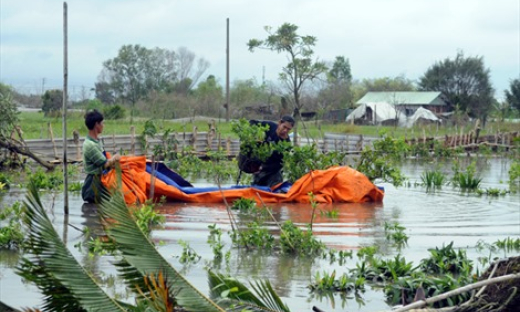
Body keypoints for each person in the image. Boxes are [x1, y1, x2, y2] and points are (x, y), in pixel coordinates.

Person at [81, 109, 121, 203]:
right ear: (96, 125)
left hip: (100, 182)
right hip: (94, 186)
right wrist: (114, 158)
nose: (103, 125)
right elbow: (104, 164)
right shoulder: (90, 145)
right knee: (94, 212)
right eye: (102, 123)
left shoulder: (96, 142)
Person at [248, 115, 295, 187]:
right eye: (284, 127)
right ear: (279, 123)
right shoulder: (270, 126)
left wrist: (263, 167)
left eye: (288, 129)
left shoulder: (287, 143)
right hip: (259, 167)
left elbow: (280, 163)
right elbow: (252, 122)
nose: (285, 130)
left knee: (273, 192)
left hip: (273, 172)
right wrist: (256, 135)